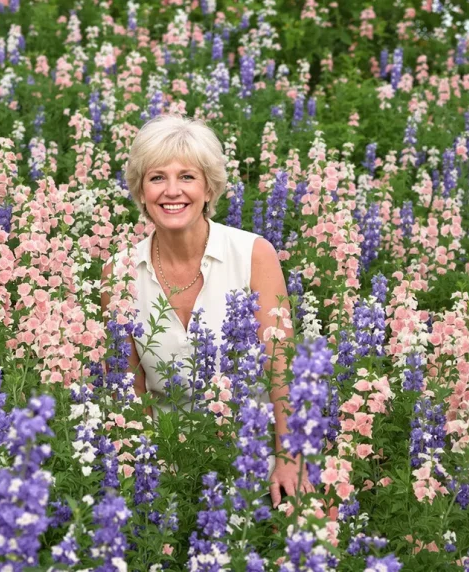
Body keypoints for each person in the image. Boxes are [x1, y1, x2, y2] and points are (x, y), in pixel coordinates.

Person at [101, 114, 313, 510]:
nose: (172, 191)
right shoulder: (119, 272)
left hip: (253, 452)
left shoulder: (254, 254)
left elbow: (282, 369)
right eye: (157, 177)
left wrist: (288, 459)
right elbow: (128, 393)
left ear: (208, 187)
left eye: (187, 177)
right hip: (165, 463)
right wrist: (147, 468)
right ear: (141, 191)